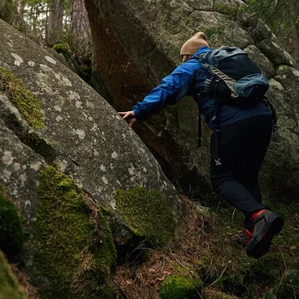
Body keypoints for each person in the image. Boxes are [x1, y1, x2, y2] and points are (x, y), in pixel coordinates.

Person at [119, 31, 283, 259]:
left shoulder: (195, 64)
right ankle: (252, 231)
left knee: (221, 179)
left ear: (188, 54)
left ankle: (259, 215)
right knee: (247, 177)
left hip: (233, 124)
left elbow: (168, 87)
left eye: (182, 57)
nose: (182, 61)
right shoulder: (227, 63)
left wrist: (139, 111)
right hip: (263, 119)